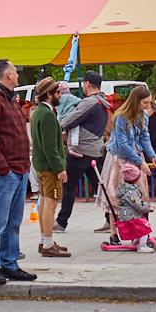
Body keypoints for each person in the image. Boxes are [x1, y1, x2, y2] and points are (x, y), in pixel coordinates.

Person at [0, 59, 38, 286]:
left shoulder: (9, 100)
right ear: (7, 75)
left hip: (18, 169)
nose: (18, 75)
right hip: (5, 171)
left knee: (12, 221)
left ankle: (9, 263)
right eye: (14, 71)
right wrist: (3, 167)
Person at [98, 86, 156, 235]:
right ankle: (114, 233)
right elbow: (123, 144)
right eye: (145, 103)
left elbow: (144, 137)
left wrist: (153, 156)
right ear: (136, 101)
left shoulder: (144, 115)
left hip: (136, 156)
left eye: (149, 103)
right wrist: (140, 162)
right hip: (120, 157)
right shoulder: (121, 117)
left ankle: (138, 231)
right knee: (117, 196)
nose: (147, 106)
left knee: (139, 195)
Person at [56, 70, 111, 232]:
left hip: (80, 152)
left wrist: (61, 118)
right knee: (100, 187)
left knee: (68, 185)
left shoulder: (89, 102)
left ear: (87, 84)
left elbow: (68, 121)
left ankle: (61, 222)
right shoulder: (104, 102)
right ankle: (111, 219)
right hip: (96, 150)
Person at [30, 78, 69, 258]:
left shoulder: (38, 112)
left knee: (43, 202)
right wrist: (60, 168)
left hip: (41, 165)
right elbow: (50, 146)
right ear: (49, 94)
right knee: (50, 203)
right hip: (49, 167)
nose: (59, 95)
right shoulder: (46, 114)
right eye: (57, 92)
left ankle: (44, 240)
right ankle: (47, 243)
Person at [115, 162, 155, 252]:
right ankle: (142, 246)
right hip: (131, 216)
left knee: (141, 226)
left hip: (127, 215)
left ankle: (137, 241)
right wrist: (148, 207)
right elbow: (137, 205)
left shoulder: (123, 188)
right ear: (136, 179)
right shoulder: (131, 192)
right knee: (145, 227)